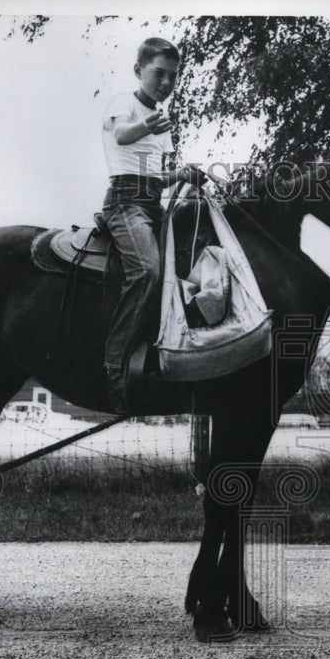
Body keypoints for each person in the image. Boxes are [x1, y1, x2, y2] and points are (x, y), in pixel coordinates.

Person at [101, 37, 203, 412]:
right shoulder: (123, 104)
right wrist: (149, 127)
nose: (166, 82)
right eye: (159, 73)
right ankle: (114, 370)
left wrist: (186, 174)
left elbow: (157, 177)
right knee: (146, 270)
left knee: (188, 270)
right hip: (124, 203)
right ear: (138, 71)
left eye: (173, 76)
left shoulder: (162, 124)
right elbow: (122, 135)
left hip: (152, 203)